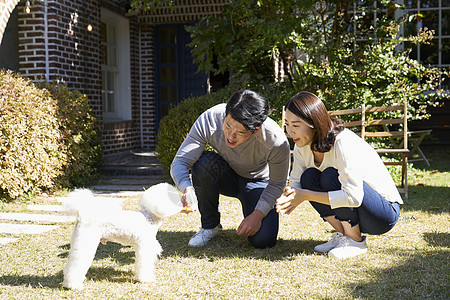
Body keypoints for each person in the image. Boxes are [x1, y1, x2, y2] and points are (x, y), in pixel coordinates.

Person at [276, 91, 402, 259]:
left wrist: (305, 195)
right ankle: (344, 235)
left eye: (296, 125)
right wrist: (288, 197)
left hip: (382, 214)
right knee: (309, 177)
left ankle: (355, 241)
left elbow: (354, 198)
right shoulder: (301, 147)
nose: (290, 131)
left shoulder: (342, 143)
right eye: (287, 124)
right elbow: (296, 182)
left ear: (314, 123)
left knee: (330, 175)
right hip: (359, 210)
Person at [171, 90, 291, 249]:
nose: (230, 136)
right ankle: (210, 227)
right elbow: (180, 162)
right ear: (226, 114)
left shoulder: (275, 140)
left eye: (240, 132)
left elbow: (277, 184)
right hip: (226, 175)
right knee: (204, 162)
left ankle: (256, 218)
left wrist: (257, 215)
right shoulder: (211, 118)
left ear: (255, 130)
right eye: (228, 126)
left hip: (258, 182)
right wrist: (187, 188)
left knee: (263, 240)